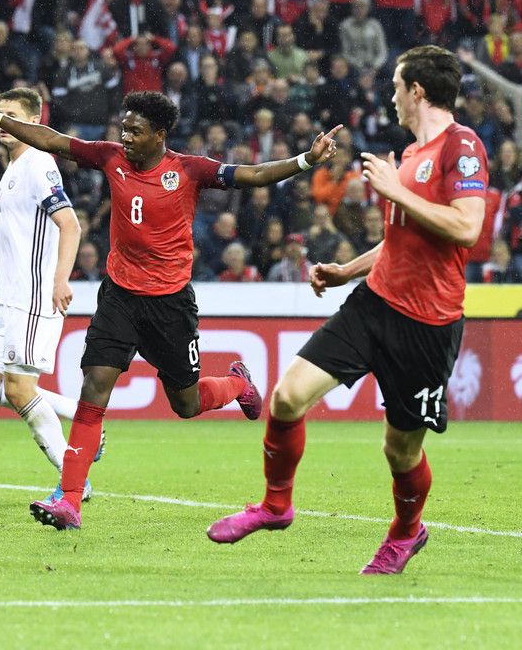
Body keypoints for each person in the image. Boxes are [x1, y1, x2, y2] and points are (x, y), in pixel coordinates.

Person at [0, 88, 342, 530]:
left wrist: (306, 161)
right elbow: (51, 139)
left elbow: (252, 174)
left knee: (186, 403)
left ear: (159, 134)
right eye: (124, 129)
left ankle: (237, 384)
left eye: (135, 131)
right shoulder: (110, 157)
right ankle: (71, 499)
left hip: (169, 305)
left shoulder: (188, 169)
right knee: (94, 387)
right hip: (119, 296)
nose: (125, 137)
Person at [207, 45, 489, 575]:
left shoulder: (462, 145)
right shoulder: (410, 154)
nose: (392, 97)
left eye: (397, 87)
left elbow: (467, 227)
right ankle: (275, 505)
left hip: (427, 323)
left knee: (400, 451)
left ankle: (407, 531)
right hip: (374, 303)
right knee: (287, 396)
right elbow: (403, 240)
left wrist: (394, 192)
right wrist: (346, 271)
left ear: (417, 91)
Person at [0, 88, 93, 503]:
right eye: (0, 114)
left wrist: (60, 280)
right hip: (9, 299)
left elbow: (70, 225)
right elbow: (17, 234)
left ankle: (73, 479)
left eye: (13, 115)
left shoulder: (39, 163)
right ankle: (74, 412)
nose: (3, 123)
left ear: (35, 122)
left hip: (34, 297)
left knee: (19, 389)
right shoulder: (14, 168)